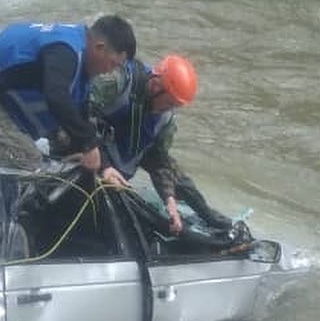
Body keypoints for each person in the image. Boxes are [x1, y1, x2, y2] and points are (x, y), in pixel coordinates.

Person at [0, 16, 136, 173]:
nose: (109, 71)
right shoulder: (66, 52)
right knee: (29, 160)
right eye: (113, 64)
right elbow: (56, 96)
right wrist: (88, 144)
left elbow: (80, 116)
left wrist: (105, 165)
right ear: (99, 47)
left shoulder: (82, 54)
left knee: (67, 139)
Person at [88, 52, 231, 235]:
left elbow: (158, 160)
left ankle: (207, 214)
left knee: (171, 170)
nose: (170, 110)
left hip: (118, 161)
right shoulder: (118, 81)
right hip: (88, 146)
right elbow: (79, 114)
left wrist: (169, 200)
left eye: (176, 106)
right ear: (156, 85)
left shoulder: (166, 119)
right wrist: (105, 166)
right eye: (170, 103)